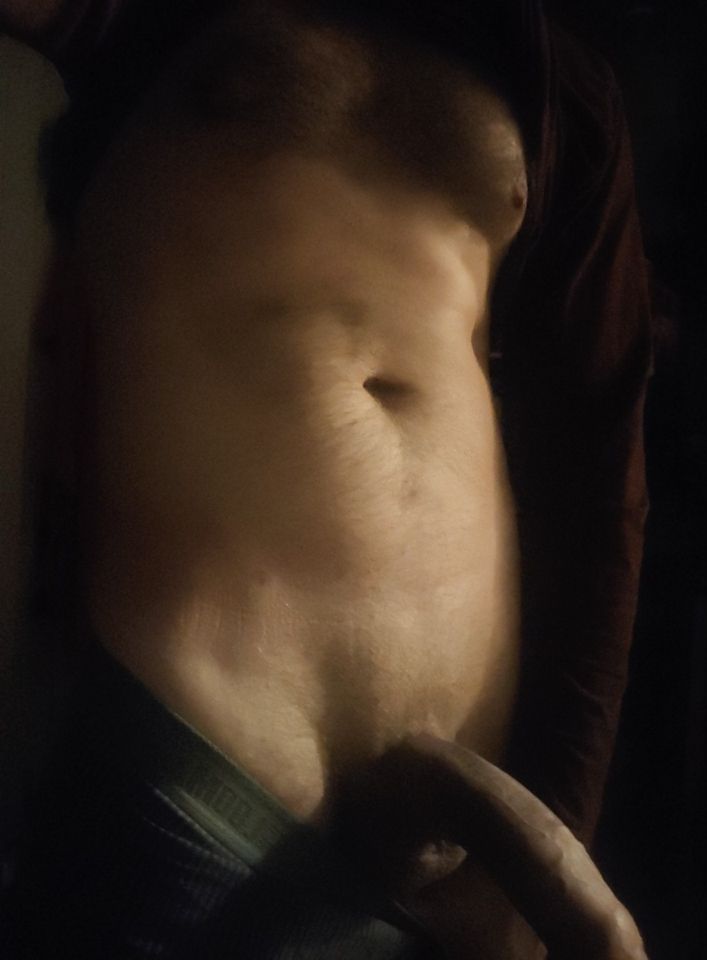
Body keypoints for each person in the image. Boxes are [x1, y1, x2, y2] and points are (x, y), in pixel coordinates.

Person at [0, 1, 652, 957]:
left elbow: (596, 491)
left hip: (437, 851)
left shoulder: (568, 93)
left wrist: (539, 851)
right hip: (184, 765)